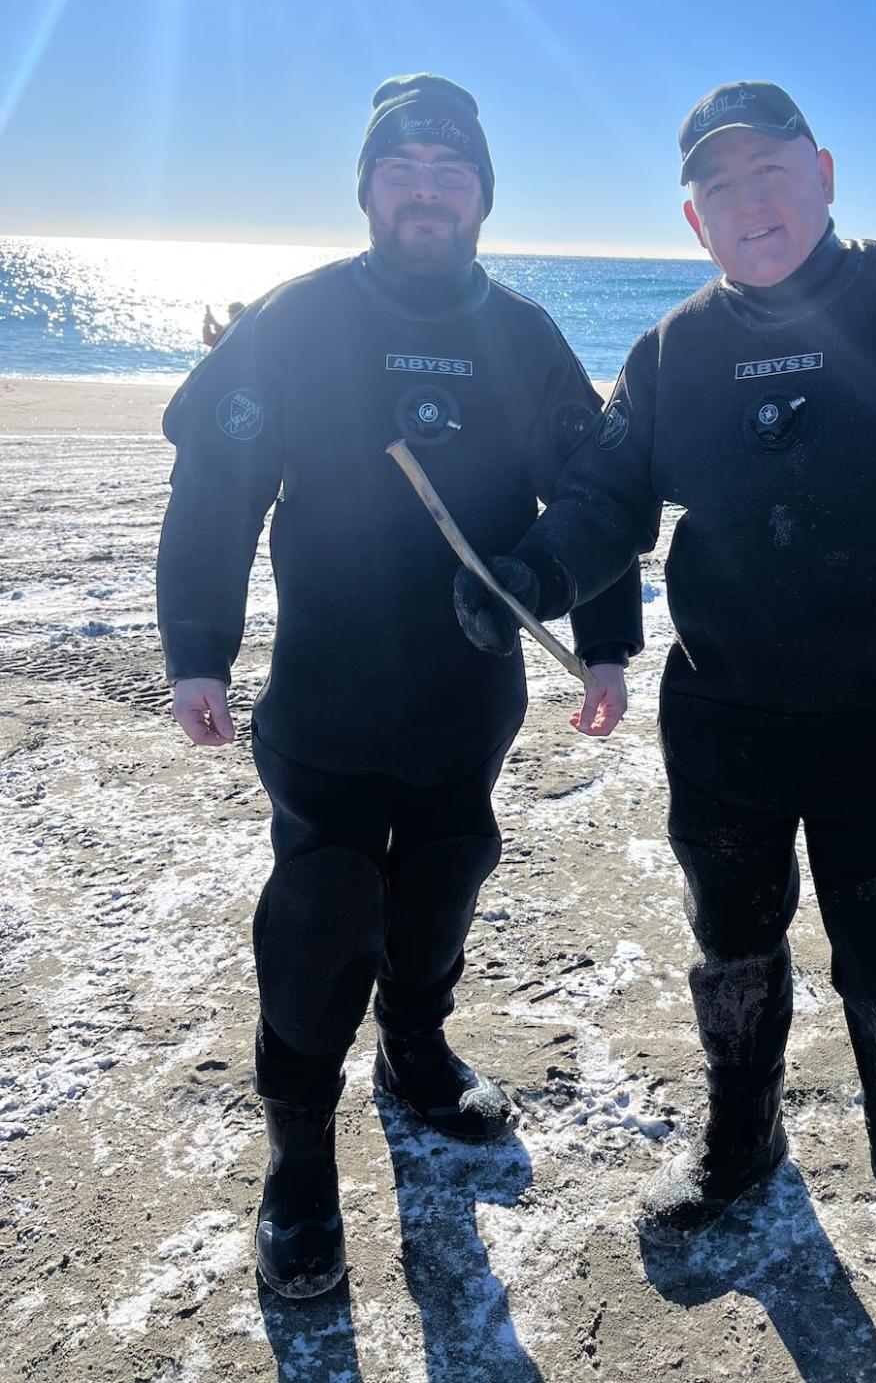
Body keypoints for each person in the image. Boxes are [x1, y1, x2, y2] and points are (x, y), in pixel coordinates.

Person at [455, 81, 876, 1381]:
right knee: (732, 953)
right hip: (722, 723)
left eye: (771, 171)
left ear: (823, 171)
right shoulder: (670, 353)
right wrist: (530, 576)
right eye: (722, 187)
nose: (751, 201)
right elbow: (605, 500)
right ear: (690, 218)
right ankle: (739, 1145)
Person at [157, 74, 640, 1300]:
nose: (428, 192)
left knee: (439, 880)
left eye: (452, 174)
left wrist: (604, 642)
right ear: (369, 189)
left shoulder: (522, 335)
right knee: (324, 910)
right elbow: (215, 488)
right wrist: (198, 647)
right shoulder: (297, 321)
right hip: (324, 692)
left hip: (466, 697)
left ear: (482, 196)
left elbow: (594, 498)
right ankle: (298, 1157)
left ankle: (415, 1054)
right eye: (404, 171)